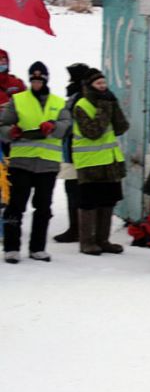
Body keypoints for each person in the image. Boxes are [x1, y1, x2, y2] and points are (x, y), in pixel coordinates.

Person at [0, 62, 71, 263]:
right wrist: (10, 132)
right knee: (16, 205)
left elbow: (67, 125)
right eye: (33, 80)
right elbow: (3, 125)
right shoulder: (19, 100)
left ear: (46, 80)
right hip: (21, 161)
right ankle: (12, 248)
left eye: (40, 80)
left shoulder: (58, 102)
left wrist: (53, 126)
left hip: (47, 163)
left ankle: (37, 248)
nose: (36, 83)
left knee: (43, 207)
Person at [71, 68, 129, 256]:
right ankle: (87, 241)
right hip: (90, 163)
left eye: (104, 83)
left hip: (110, 160)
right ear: (89, 86)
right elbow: (93, 132)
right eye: (98, 84)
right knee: (89, 202)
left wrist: (114, 105)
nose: (103, 87)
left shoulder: (107, 102)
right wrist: (104, 108)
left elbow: (121, 127)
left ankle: (103, 240)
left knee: (108, 200)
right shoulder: (81, 105)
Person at [53, 62, 91, 243]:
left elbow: (69, 123)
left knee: (74, 190)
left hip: (75, 152)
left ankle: (76, 229)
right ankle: (77, 228)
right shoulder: (79, 95)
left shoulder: (78, 97)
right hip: (75, 152)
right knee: (75, 190)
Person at [0, 48, 27, 158]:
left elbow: (27, 103)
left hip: (12, 132)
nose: (2, 62)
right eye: (0, 59)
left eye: (4, 59)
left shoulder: (16, 83)